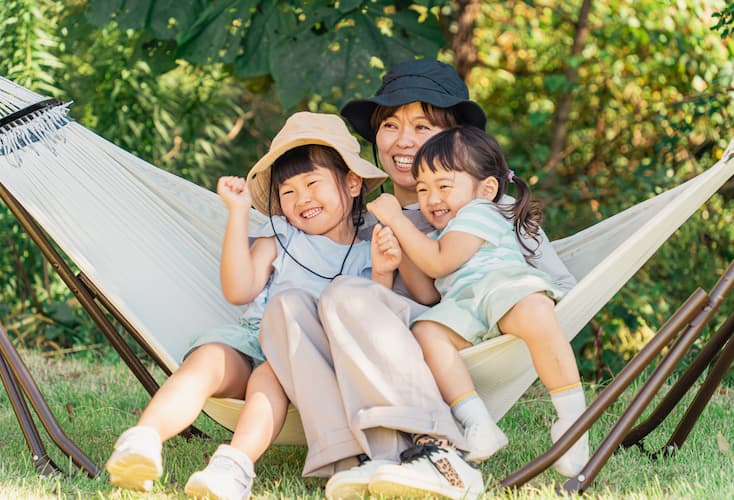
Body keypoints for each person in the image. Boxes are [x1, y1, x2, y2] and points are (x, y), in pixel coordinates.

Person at [259, 59, 578, 500]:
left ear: (452, 140)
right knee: (289, 305)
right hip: (388, 353)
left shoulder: (490, 208)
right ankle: (357, 455)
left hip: (463, 344)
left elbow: (555, 288)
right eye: (390, 125)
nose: (403, 140)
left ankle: (441, 452)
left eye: (422, 126)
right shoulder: (363, 220)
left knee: (347, 294)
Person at [104, 112, 391, 499]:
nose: (301, 198)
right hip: (252, 338)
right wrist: (239, 215)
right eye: (287, 191)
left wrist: (385, 269)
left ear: (353, 182)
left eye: (312, 183)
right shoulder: (280, 234)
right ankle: (142, 440)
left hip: (308, 358)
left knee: (268, 377)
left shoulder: (367, 251)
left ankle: (232, 467)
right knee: (206, 360)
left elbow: (376, 314)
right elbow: (239, 290)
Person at [367, 125, 589, 477]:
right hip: (466, 306)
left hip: (506, 289)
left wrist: (397, 217)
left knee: (536, 311)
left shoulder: (481, 212)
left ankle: (573, 422)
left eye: (443, 186)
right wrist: (401, 245)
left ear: (486, 188)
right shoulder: (439, 232)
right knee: (425, 332)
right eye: (422, 189)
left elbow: (439, 261)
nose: (431, 198)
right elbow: (427, 293)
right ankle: (478, 423)